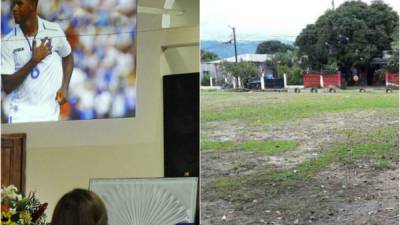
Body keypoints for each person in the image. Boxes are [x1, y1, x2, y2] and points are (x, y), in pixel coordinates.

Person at [1, 0, 73, 123]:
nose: (14, 8)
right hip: (20, 116)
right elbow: (7, 86)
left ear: (33, 5)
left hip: (50, 115)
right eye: (13, 4)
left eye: (20, 4)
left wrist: (65, 87)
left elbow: (68, 56)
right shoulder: (7, 42)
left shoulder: (54, 31)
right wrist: (33, 61)